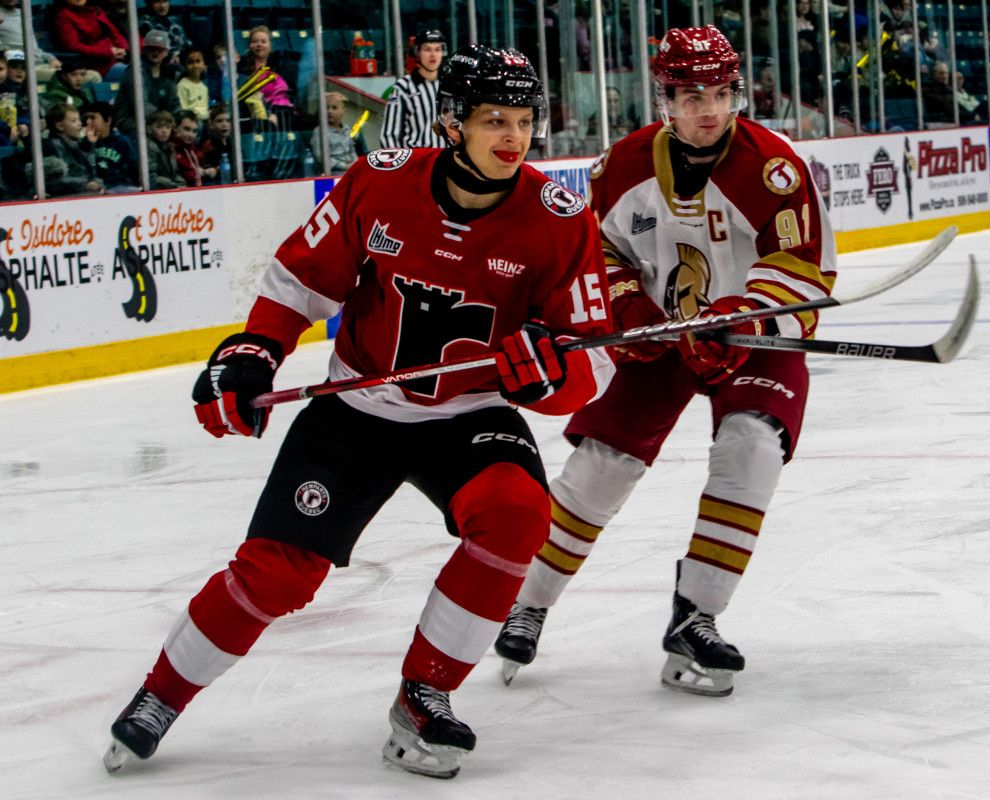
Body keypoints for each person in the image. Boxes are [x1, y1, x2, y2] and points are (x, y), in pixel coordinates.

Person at [103, 44, 615, 781]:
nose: (513, 138)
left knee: (517, 516)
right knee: (277, 574)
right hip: (358, 405)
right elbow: (297, 280)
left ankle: (424, 695)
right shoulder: (380, 182)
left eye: (526, 120)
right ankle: (161, 695)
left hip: (469, 413)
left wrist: (549, 377)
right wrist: (255, 352)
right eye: (493, 119)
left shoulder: (559, 220)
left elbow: (593, 357)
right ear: (451, 122)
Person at [494, 25, 836, 698]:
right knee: (602, 465)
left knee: (751, 447)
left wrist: (746, 319)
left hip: (749, 340)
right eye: (689, 96)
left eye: (718, 94)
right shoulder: (623, 167)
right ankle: (526, 601)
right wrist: (628, 315)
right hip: (658, 338)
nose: (706, 110)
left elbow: (800, 269)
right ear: (665, 100)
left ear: (737, 93)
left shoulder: (775, 168)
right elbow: (601, 254)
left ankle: (697, 617)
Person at [381, 28, 444, 149]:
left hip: (445, 160)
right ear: (417, 52)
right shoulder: (402, 87)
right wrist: (400, 166)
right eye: (427, 49)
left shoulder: (449, 85)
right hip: (417, 160)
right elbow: (389, 135)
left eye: (437, 49)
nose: (433, 54)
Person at [114, 29, 180, 137]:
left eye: (160, 49)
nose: (156, 52)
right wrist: (165, 120)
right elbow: (141, 107)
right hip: (130, 123)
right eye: (152, 48)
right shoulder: (135, 72)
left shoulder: (169, 74)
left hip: (158, 123)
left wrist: (179, 119)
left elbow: (174, 105)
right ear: (144, 50)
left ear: (166, 52)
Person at [49, 0, 128, 78]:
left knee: (136, 67)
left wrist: (123, 48)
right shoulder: (63, 16)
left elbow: (114, 33)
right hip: (94, 65)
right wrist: (108, 52)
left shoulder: (96, 10)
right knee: (133, 73)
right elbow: (74, 46)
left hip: (116, 58)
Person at [44, 103, 104, 196]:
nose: (80, 123)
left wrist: (90, 145)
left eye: (79, 119)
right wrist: (86, 184)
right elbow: (56, 182)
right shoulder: (51, 146)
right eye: (74, 121)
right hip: (65, 196)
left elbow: (92, 171)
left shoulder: (78, 144)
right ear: (60, 126)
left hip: (81, 192)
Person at [83, 99, 139, 192]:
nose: (88, 122)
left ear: (108, 120)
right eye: (87, 118)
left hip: (122, 187)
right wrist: (90, 144)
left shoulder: (123, 141)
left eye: (93, 118)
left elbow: (135, 168)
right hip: (96, 190)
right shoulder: (85, 143)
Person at [312, 91, 365, 174]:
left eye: (334, 108)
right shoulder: (319, 132)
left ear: (343, 111)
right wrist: (344, 166)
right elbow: (320, 158)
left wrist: (355, 164)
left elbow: (351, 150)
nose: (329, 111)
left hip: (351, 170)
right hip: (333, 172)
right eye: (326, 108)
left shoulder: (347, 130)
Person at [146, 108, 184, 188]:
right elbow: (151, 177)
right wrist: (175, 186)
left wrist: (182, 184)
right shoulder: (148, 147)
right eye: (159, 127)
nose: (164, 131)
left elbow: (175, 173)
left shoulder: (170, 146)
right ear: (149, 129)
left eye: (168, 127)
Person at [172, 108, 210, 186]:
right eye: (186, 129)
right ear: (175, 128)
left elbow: (203, 164)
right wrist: (194, 173)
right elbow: (173, 176)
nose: (191, 135)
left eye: (194, 131)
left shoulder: (192, 148)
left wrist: (209, 170)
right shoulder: (169, 150)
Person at [199, 103, 232, 183]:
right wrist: (213, 170)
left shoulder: (233, 144)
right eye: (219, 121)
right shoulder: (208, 146)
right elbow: (206, 167)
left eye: (228, 121)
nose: (224, 124)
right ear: (211, 125)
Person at [176, 47, 209, 121]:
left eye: (198, 61)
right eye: (190, 62)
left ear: (203, 63)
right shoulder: (182, 86)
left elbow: (204, 109)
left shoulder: (204, 87)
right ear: (185, 65)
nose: (195, 65)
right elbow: (182, 111)